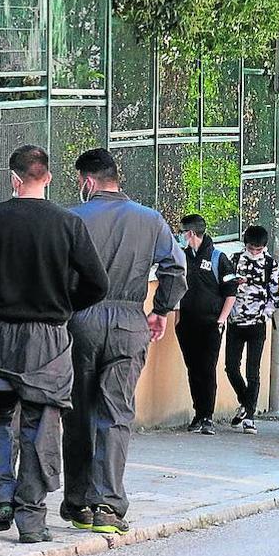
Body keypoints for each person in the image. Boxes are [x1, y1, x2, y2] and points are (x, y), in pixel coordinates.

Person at [0, 145, 109, 544]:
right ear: (48, 177)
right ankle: (30, 519)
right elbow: (98, 283)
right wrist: (65, 306)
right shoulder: (68, 224)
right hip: (48, 338)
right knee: (40, 426)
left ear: (13, 180)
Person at [62, 148, 187, 534]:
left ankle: (79, 502)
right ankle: (109, 505)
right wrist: (160, 310)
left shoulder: (72, 218)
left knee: (79, 411)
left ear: (87, 181)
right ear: (117, 178)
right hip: (130, 320)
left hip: (80, 319)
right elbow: (176, 269)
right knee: (116, 413)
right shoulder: (150, 220)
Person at [175, 213, 239, 436]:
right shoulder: (183, 256)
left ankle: (208, 417)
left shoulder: (218, 257)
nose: (180, 235)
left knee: (207, 369)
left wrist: (220, 321)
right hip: (187, 325)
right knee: (193, 369)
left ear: (191, 233)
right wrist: (177, 320)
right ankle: (198, 414)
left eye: (183, 231)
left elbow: (231, 292)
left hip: (211, 324)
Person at [223, 225, 279, 436]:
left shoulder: (270, 264)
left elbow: (276, 296)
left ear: (264, 247)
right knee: (231, 367)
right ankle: (245, 403)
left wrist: (264, 315)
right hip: (235, 322)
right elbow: (225, 285)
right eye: (251, 248)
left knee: (252, 371)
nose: (254, 252)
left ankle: (250, 417)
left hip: (257, 323)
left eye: (258, 249)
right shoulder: (235, 259)